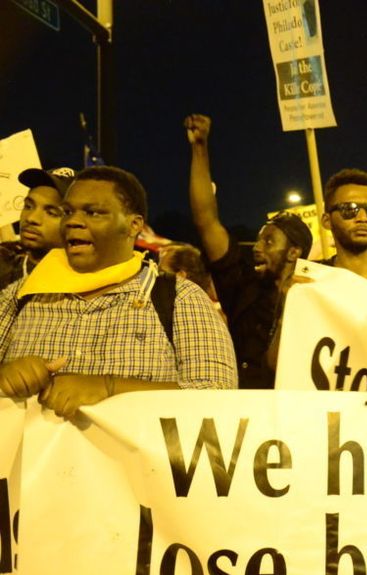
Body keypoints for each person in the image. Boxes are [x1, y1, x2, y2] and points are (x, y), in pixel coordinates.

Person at [0, 165, 236, 419]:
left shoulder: (180, 299)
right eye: (67, 211)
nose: (73, 221)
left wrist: (110, 388)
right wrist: (6, 376)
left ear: (134, 225)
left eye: (93, 212)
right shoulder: (20, 296)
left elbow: (218, 395)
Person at [185, 113, 312, 388]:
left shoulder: (318, 299)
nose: (257, 247)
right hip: (243, 407)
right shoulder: (243, 288)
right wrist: (199, 148)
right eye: (258, 240)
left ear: (294, 253)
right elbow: (206, 221)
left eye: (269, 241)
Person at [0, 167, 75, 290]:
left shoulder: (87, 285)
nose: (31, 218)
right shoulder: (4, 266)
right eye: (28, 206)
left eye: (51, 213)